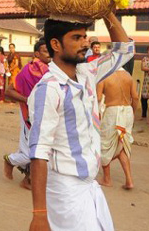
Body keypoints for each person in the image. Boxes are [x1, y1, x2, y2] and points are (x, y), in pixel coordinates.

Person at [28, 12, 133, 231]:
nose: (85, 43)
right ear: (56, 44)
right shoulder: (49, 89)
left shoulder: (87, 73)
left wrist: (106, 12)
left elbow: (124, 49)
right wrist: (39, 215)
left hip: (88, 185)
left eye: (85, 36)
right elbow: (39, 152)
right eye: (77, 38)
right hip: (65, 189)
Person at [3, 39, 50, 190]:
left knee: (45, 149)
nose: (49, 53)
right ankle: (10, 160)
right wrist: (29, 100)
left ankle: (28, 179)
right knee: (31, 152)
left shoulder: (54, 70)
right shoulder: (28, 71)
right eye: (45, 50)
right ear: (36, 53)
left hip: (47, 116)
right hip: (29, 116)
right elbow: (8, 91)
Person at [97, 68, 138, 190]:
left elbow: (98, 99)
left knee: (105, 144)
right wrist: (133, 113)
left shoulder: (104, 77)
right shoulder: (128, 76)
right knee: (122, 144)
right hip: (127, 112)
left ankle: (107, 179)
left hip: (112, 113)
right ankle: (129, 180)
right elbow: (135, 97)